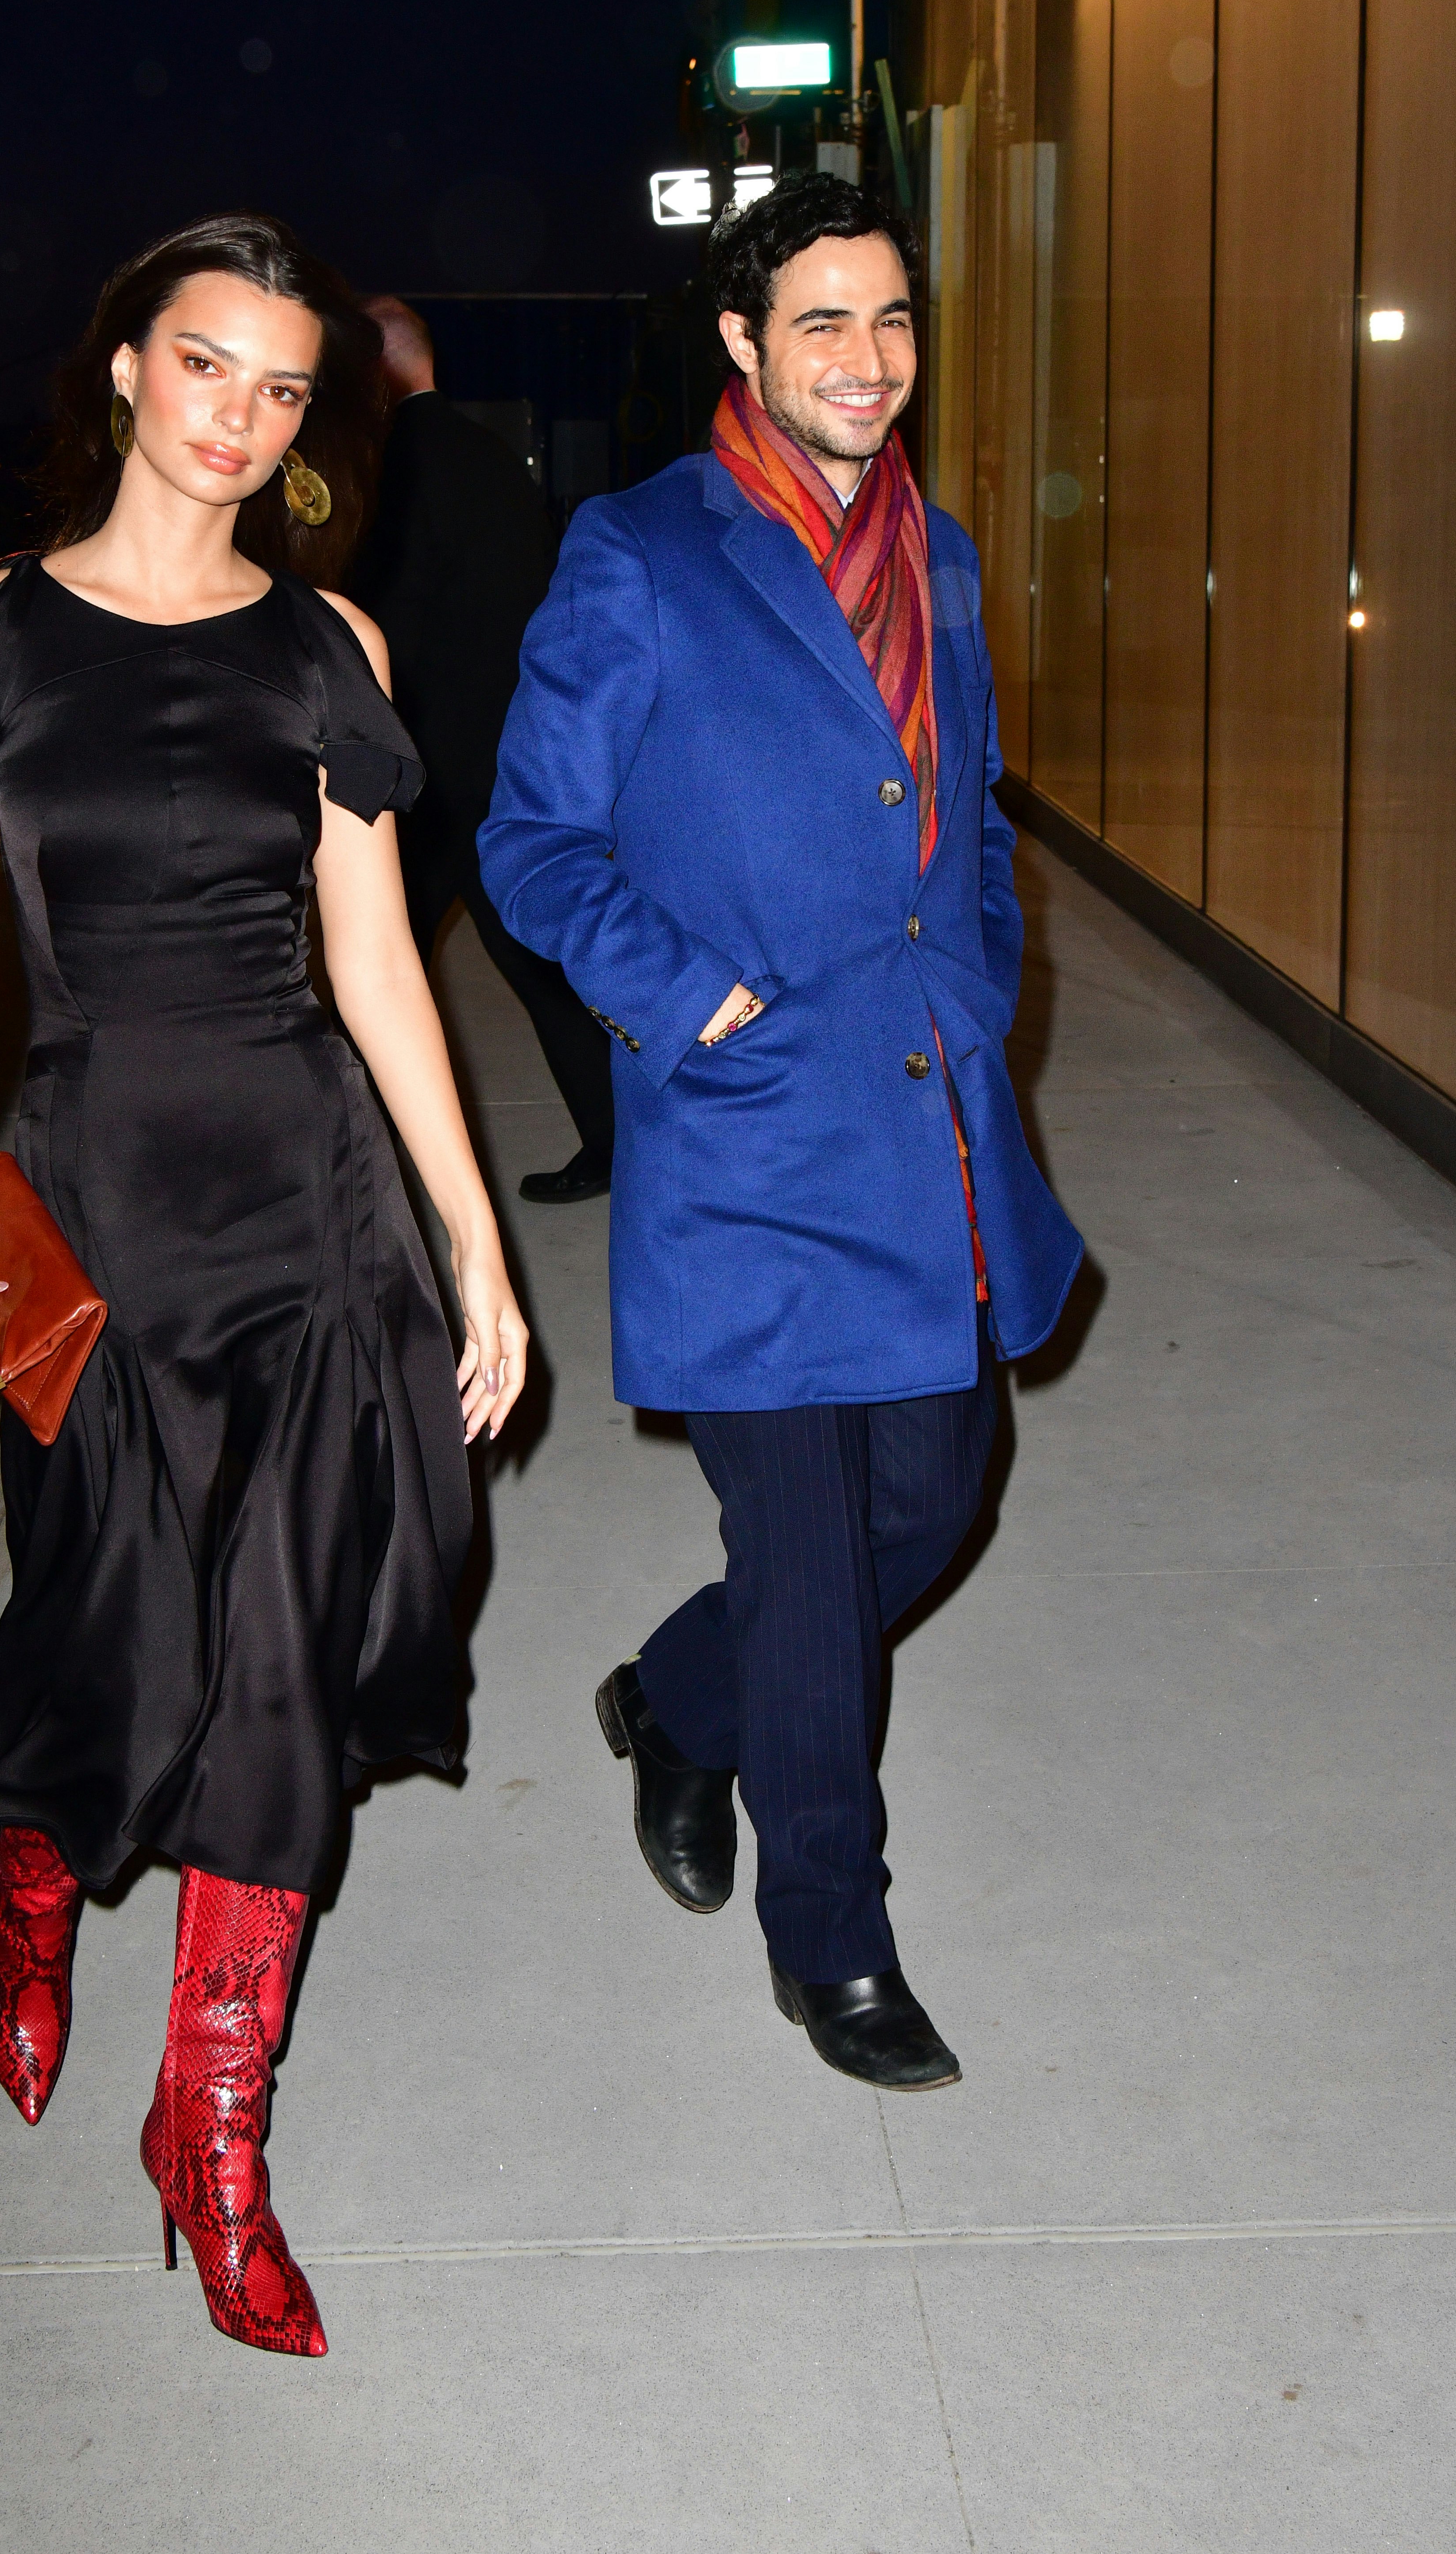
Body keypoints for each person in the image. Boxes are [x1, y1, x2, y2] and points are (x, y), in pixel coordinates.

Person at [0, 214, 527, 2356]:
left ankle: (210, 2133)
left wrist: (471, 1231)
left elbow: (373, 958)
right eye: (206, 365)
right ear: (129, 367)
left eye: (282, 388)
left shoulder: (328, 648)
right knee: (104, 1621)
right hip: (80, 1211)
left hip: (313, 1213)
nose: (240, 417)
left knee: (279, 1674)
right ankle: (32, 1872)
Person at [479, 174, 1082, 2092]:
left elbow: (967, 815)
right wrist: (688, 997)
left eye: (890, 319)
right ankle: (830, 1941)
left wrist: (978, 972)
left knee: (932, 1493)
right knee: (815, 1572)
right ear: (740, 344)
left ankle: (674, 1699)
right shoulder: (639, 552)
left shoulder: (944, 556)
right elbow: (531, 843)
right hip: (746, 1142)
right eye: (821, 321)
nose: (867, 361)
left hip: (922, 1120)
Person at [345, 296, 616, 1204]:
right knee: (538, 971)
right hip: (510, 756)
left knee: (364, 969)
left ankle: (347, 1167)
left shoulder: (391, 472)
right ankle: (618, 1144)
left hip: (430, 775)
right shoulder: (497, 456)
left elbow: (394, 632)